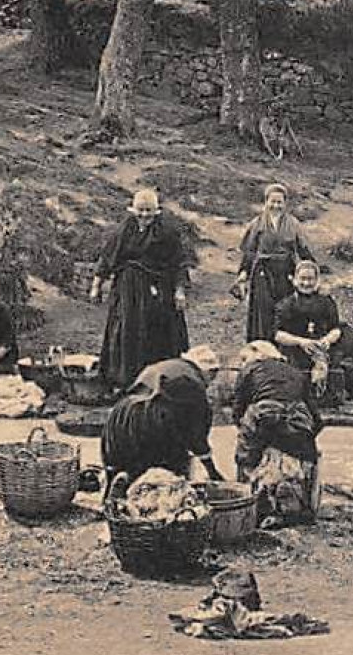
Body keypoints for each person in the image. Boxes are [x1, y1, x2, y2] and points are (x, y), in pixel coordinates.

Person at [91, 190, 194, 390]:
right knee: (125, 331)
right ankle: (124, 379)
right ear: (133, 209)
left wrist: (179, 290)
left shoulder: (167, 232)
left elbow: (179, 263)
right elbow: (108, 257)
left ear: (156, 211)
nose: (144, 215)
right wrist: (96, 285)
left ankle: (158, 379)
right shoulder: (125, 229)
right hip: (127, 290)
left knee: (156, 332)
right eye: (140, 210)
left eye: (149, 211)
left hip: (157, 291)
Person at [100, 346, 224, 489]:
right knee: (164, 477)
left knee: (123, 463)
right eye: (213, 376)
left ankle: (116, 484)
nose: (211, 382)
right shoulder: (192, 383)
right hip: (151, 417)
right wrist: (212, 471)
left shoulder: (164, 366)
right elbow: (197, 435)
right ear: (209, 371)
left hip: (120, 413)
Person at [235, 184, 315, 343]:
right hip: (262, 272)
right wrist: (243, 273)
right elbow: (250, 251)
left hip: (286, 270)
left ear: (285, 204)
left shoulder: (293, 224)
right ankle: (261, 344)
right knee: (263, 310)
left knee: (284, 307)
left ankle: (284, 344)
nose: (276, 206)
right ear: (266, 202)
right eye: (273, 202)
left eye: (280, 202)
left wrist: (311, 268)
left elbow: (303, 250)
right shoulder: (257, 223)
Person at [233, 340, 321, 478]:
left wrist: (242, 427)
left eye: (244, 359)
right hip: (296, 418)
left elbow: (238, 407)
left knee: (245, 458)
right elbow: (315, 414)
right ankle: (307, 487)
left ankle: (244, 487)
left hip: (263, 415)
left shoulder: (250, 370)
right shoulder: (296, 372)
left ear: (258, 354)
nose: (242, 363)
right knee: (306, 457)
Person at [274, 261, 353, 397]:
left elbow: (336, 328)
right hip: (295, 350)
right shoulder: (286, 304)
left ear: (317, 281)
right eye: (302, 279)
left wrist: (327, 340)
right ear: (294, 280)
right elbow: (277, 334)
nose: (306, 283)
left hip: (321, 349)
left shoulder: (326, 302)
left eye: (310, 279)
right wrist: (301, 342)